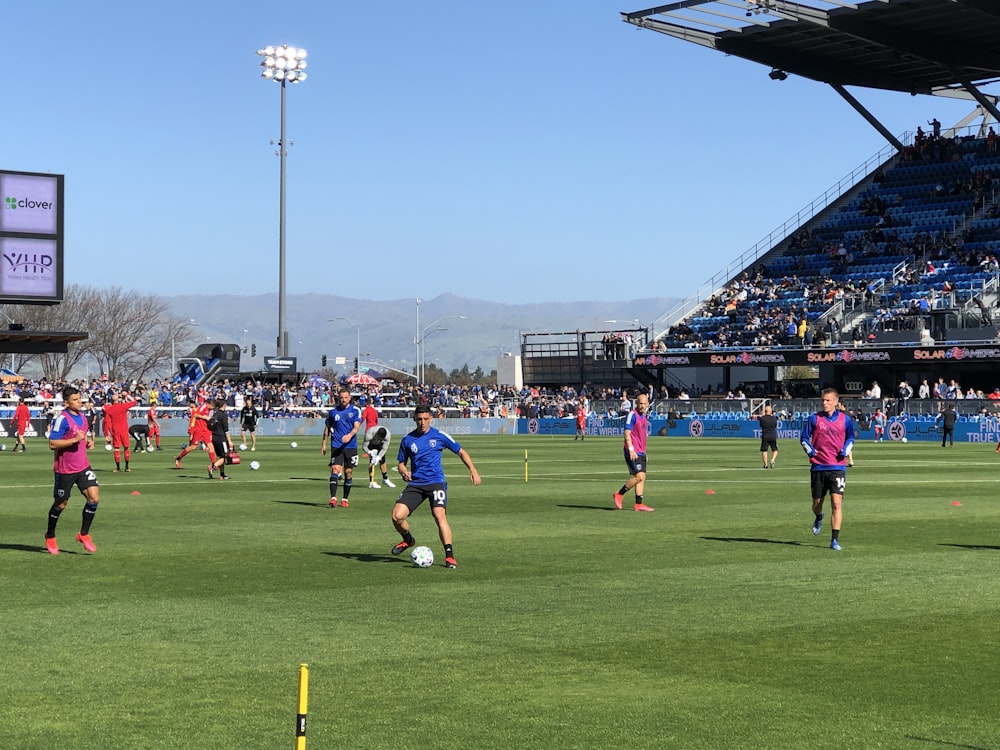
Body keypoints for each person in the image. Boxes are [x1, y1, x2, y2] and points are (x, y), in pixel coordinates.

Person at [390, 404, 481, 569]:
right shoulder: (407, 440)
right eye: (419, 419)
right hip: (416, 484)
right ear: (414, 419)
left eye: (425, 419)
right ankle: (408, 540)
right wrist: (403, 472)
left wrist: (473, 470)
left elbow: (461, 451)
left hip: (435, 483)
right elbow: (401, 463)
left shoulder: (439, 436)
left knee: (439, 515)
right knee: (397, 516)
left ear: (431, 419)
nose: (422, 422)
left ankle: (449, 556)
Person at [44, 386, 100, 555]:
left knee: (94, 498)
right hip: (65, 470)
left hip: (83, 467)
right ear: (67, 403)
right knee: (61, 504)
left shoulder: (83, 417)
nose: (79, 402)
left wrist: (86, 443)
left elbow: (81, 438)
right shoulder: (62, 419)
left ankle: (83, 534)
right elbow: (53, 444)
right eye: (75, 400)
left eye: (79, 399)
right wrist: (75, 439)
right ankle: (50, 535)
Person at [800, 388, 855, 551]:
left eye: (828, 400)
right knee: (817, 503)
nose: (824, 403)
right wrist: (810, 450)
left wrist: (846, 449)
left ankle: (834, 540)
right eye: (823, 400)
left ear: (836, 402)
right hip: (818, 466)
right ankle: (818, 516)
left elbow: (851, 437)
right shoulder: (814, 419)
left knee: (836, 503)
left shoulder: (845, 420)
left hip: (838, 466)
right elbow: (804, 437)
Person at [612, 393, 655, 512]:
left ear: (647, 405)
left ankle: (638, 504)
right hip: (632, 451)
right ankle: (619, 494)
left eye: (644, 404)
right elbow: (627, 433)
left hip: (641, 452)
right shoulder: (632, 415)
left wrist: (645, 453)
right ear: (636, 403)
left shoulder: (644, 417)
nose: (642, 406)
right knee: (639, 476)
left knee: (642, 478)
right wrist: (631, 449)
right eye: (640, 403)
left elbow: (642, 437)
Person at [321, 387, 362, 508]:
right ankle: (333, 498)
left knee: (348, 472)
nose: (344, 400)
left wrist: (349, 435)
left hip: (350, 446)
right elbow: (327, 428)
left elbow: (356, 427)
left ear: (349, 398)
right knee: (335, 470)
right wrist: (324, 443)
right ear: (338, 398)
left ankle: (345, 498)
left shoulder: (355, 410)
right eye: (341, 398)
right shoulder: (333, 412)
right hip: (336, 445)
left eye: (346, 398)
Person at [103, 390, 139, 472]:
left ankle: (118, 468)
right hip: (124, 430)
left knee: (116, 448)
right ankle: (126, 467)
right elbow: (134, 402)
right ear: (118, 399)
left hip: (116, 431)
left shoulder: (109, 410)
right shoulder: (123, 406)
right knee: (126, 448)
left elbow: (106, 423)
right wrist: (127, 395)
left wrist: (106, 435)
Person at [175, 398, 215, 469]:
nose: (212, 409)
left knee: (211, 446)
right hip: (199, 430)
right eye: (212, 406)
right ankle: (179, 458)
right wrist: (205, 417)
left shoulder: (208, 409)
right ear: (209, 404)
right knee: (193, 447)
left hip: (206, 430)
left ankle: (214, 464)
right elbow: (196, 415)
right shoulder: (203, 406)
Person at [362, 424, 396, 489]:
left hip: (380, 445)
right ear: (377, 434)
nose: (380, 439)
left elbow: (384, 449)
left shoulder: (387, 436)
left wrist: (378, 457)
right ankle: (372, 482)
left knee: (382, 460)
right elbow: (364, 447)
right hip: (371, 444)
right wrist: (369, 452)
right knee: (372, 461)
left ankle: (385, 479)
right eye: (379, 438)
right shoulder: (369, 434)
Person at [207, 399, 234, 480]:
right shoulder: (223, 415)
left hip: (214, 438)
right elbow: (226, 430)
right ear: (224, 405)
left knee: (221, 456)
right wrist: (229, 441)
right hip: (221, 438)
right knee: (226, 457)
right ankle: (213, 467)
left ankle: (222, 474)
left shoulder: (215, 414)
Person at [758, 404, 779, 469]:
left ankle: (765, 464)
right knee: (775, 449)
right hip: (772, 435)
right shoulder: (774, 419)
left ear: (765, 411)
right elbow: (775, 426)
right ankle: (772, 460)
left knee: (764, 450)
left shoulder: (762, 419)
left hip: (765, 435)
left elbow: (761, 425)